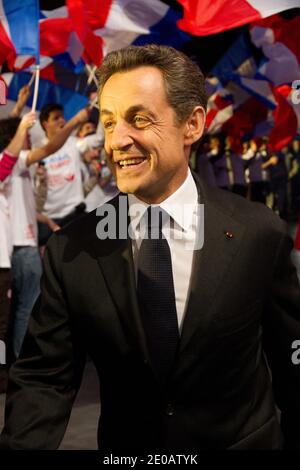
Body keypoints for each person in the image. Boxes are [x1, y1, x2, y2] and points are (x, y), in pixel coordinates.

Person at [1, 44, 300, 452]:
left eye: (138, 119)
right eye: (108, 123)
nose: (117, 141)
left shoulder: (259, 234)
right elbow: (44, 380)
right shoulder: (72, 251)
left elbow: (292, 365)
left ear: (192, 125)